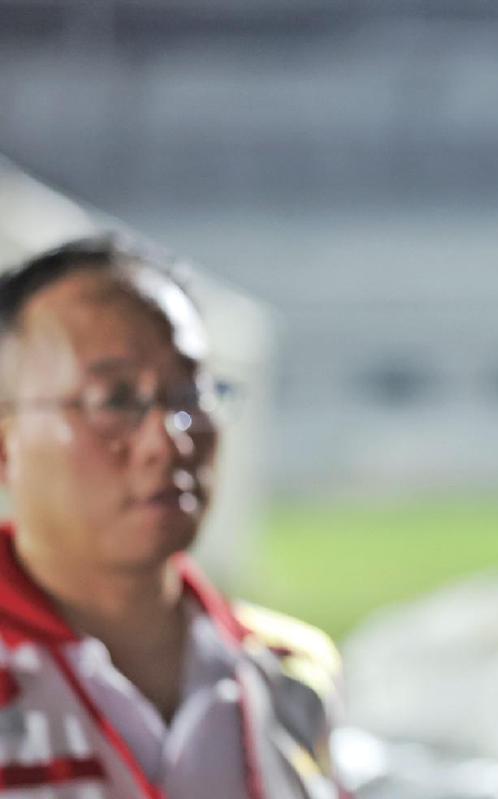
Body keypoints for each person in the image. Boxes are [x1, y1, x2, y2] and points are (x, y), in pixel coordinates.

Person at [0, 237, 344, 798]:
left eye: (191, 395)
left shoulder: (288, 670)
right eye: (114, 400)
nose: (169, 441)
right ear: (5, 443)